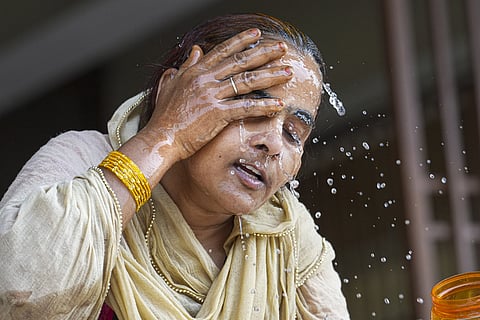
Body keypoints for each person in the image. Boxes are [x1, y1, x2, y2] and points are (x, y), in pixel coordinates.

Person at [0, 13, 350, 319]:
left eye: (292, 133)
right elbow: (18, 294)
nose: (273, 144)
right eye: (252, 109)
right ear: (175, 90)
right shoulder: (83, 161)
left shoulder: (286, 234)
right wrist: (167, 135)